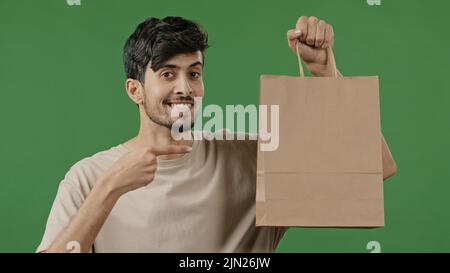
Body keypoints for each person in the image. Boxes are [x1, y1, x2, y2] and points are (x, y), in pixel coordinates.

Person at [37, 16, 397, 253]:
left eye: (194, 73)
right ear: (135, 90)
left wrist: (326, 73)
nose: (185, 87)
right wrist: (110, 188)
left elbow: (373, 169)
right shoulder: (90, 177)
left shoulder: (251, 156)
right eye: (167, 74)